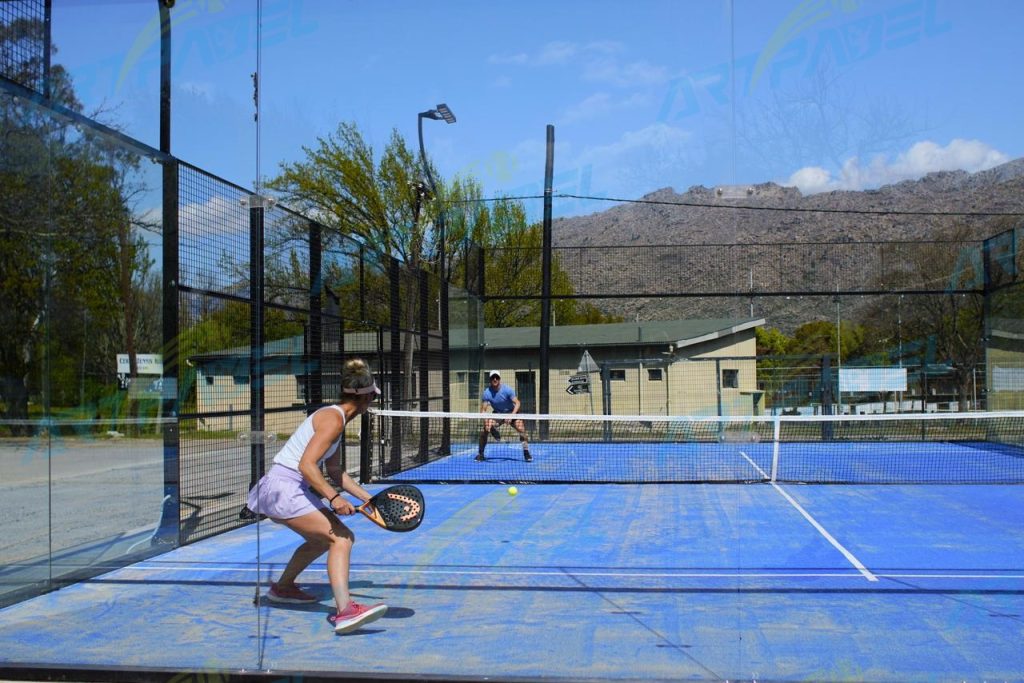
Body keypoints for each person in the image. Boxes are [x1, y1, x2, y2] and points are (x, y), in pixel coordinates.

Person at [246, 358, 387, 635]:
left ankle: (283, 588)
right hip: (283, 487)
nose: (372, 402)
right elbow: (307, 465)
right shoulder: (333, 419)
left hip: (286, 487)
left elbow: (335, 471)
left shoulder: (337, 419)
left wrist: (369, 499)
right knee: (342, 538)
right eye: (372, 397)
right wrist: (335, 500)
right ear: (365, 397)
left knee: (319, 541)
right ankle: (345, 611)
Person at [476, 370, 531, 462]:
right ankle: (481, 454)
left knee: (521, 429)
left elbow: (517, 403)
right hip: (498, 414)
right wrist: (486, 422)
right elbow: (483, 410)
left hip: (511, 413)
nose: (495, 379)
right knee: (485, 430)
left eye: (496, 377)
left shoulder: (507, 390)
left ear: (499, 379)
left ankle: (526, 452)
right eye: (493, 377)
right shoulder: (487, 393)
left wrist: (511, 416)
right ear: (490, 379)